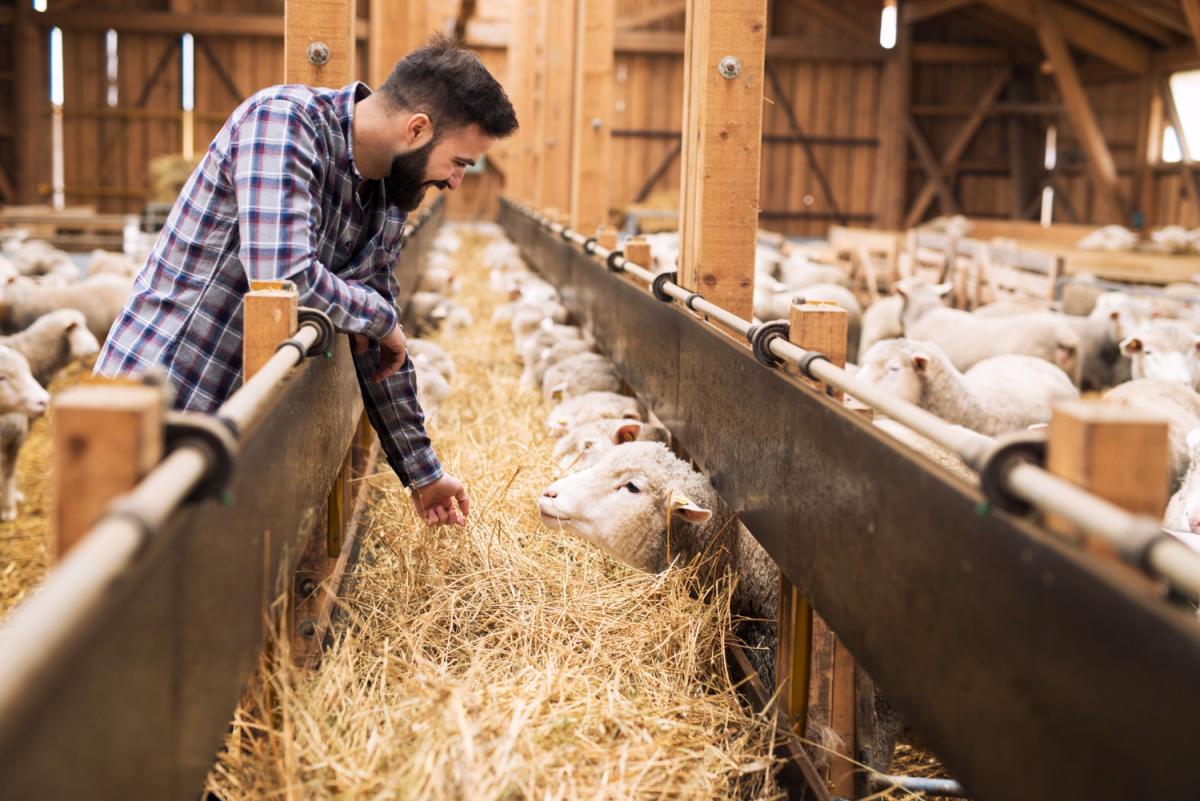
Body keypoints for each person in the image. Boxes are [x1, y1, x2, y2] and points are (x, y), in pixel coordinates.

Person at [95, 35, 518, 527]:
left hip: (239, 423)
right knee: (111, 582)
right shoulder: (284, 122)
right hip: (163, 398)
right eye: (460, 162)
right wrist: (381, 319)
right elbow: (282, 275)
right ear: (417, 129)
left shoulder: (385, 201)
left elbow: (382, 347)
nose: (455, 182)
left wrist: (424, 474)